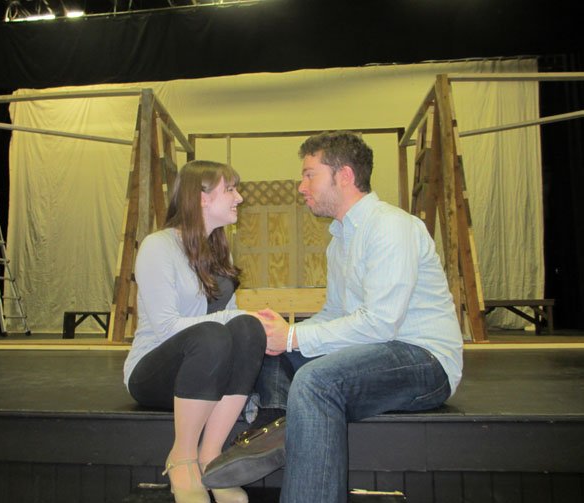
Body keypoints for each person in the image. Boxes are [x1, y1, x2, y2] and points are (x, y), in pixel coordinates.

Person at [232, 131, 464, 502]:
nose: (300, 186)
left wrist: (293, 336)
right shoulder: (339, 240)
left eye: (310, 174)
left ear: (344, 176)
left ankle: (289, 435)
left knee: (315, 381)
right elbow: (335, 314)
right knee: (268, 351)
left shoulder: (390, 226)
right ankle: (275, 429)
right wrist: (280, 335)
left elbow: (381, 323)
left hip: (423, 360)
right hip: (377, 351)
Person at [123, 160, 267, 503]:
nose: (240, 197)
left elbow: (231, 319)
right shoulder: (158, 247)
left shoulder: (219, 247)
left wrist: (256, 325)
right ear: (201, 197)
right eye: (230, 189)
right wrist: (232, 320)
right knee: (212, 334)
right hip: (154, 371)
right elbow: (167, 327)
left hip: (208, 366)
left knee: (248, 329)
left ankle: (211, 457)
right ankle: (182, 457)